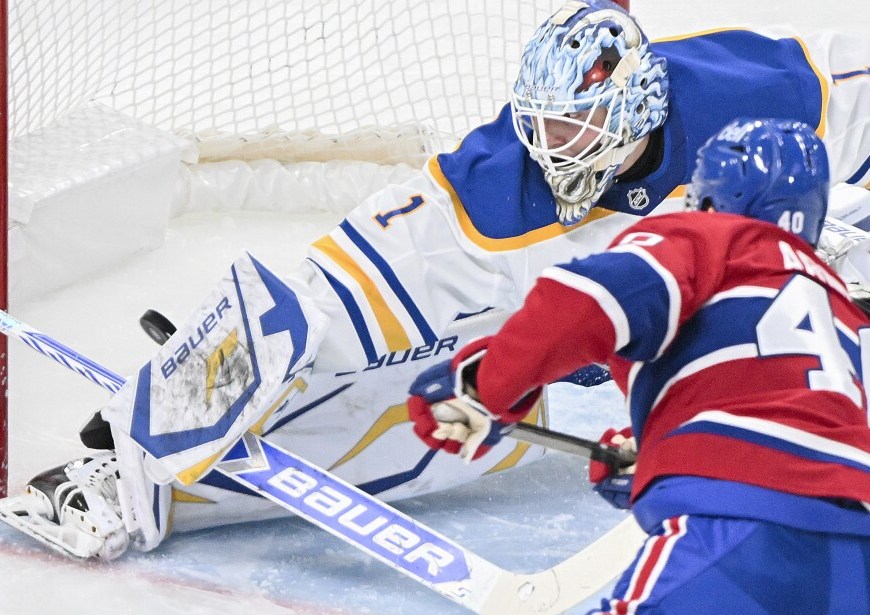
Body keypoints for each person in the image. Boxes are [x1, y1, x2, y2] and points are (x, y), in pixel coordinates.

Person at [1, 1, 868, 565]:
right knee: (431, 432)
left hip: (707, 331)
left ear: (637, 108)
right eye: (543, 125)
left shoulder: (762, 94)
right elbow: (319, 299)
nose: (553, 148)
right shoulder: (492, 191)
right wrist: (196, 380)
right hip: (550, 332)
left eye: (574, 128)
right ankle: (134, 486)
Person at [407, 116, 870, 615]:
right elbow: (801, 424)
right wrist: (659, 452)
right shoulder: (839, 304)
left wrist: (485, 386)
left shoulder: (713, 237)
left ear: (709, 196)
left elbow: (589, 300)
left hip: (751, 550)